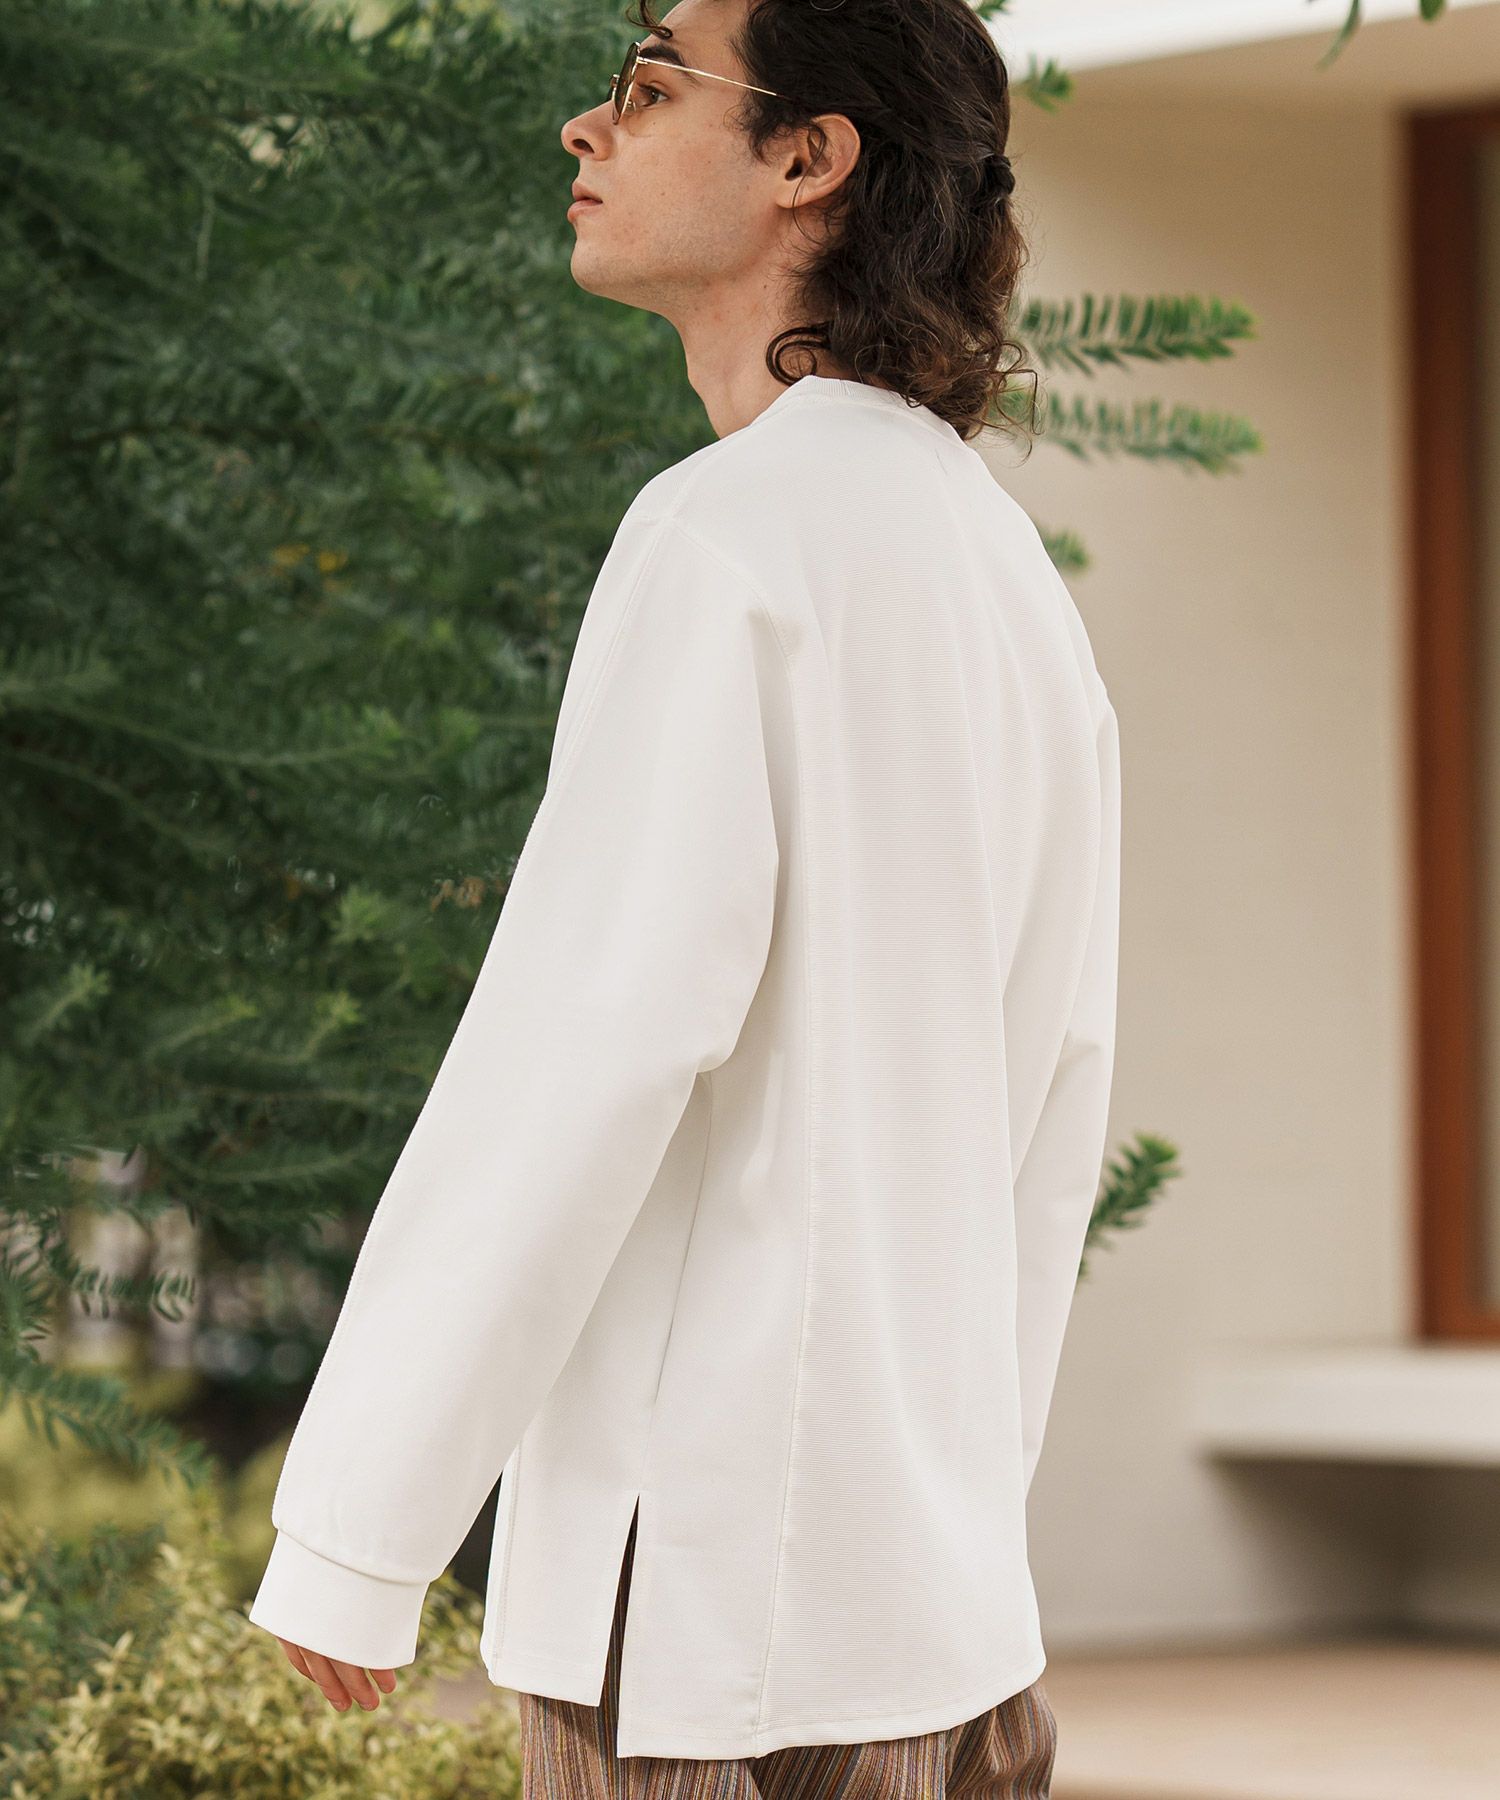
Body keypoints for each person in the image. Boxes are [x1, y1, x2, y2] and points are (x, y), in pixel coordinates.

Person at [247, 0, 1121, 1794]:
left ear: (810, 157)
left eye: (650, 85)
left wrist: (359, 1529)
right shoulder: (1003, 571)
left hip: (705, 1614)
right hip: (938, 1617)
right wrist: (957, 1512)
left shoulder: (725, 535)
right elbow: (1052, 1113)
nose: (587, 127)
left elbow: (580, 1056)